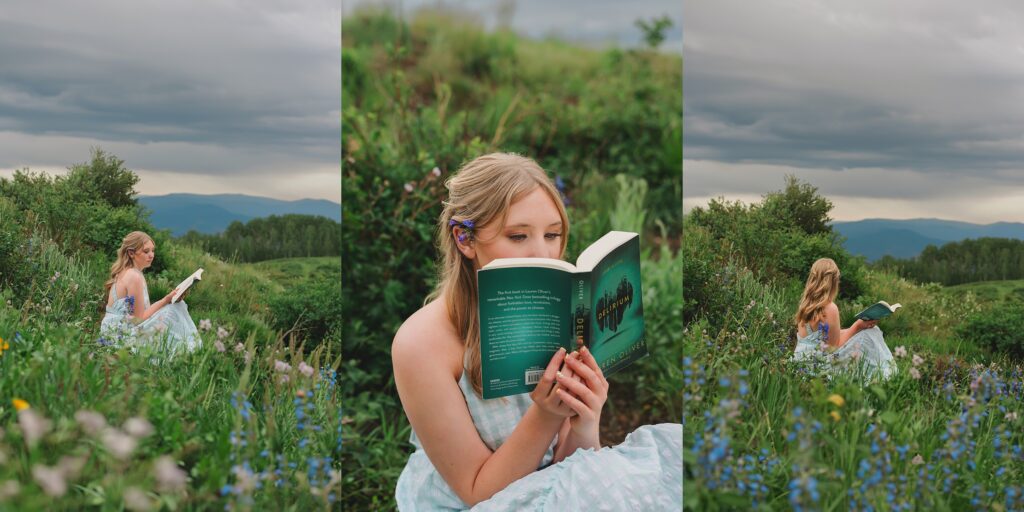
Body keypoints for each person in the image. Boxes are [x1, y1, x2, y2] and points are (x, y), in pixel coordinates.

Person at [392, 153, 681, 510]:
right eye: (517, 236)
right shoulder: (421, 343)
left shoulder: (556, 314)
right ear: (465, 240)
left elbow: (572, 467)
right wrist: (546, 414)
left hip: (547, 484)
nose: (543, 252)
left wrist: (583, 421)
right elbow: (476, 492)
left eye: (553, 235)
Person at [792, 257, 896, 380]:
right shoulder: (830, 308)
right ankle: (886, 378)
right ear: (834, 281)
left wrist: (857, 328)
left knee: (863, 332)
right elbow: (833, 348)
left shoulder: (805, 305)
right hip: (818, 366)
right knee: (871, 333)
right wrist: (857, 326)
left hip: (800, 362)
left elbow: (819, 339)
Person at [100, 231, 201, 354]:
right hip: (118, 334)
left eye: (153, 251)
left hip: (113, 329)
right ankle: (186, 350)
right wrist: (165, 300)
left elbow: (137, 315)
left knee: (172, 306)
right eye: (146, 251)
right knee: (173, 310)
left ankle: (183, 349)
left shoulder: (131, 272)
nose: (151, 255)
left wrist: (168, 299)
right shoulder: (134, 276)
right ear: (131, 253)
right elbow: (138, 319)